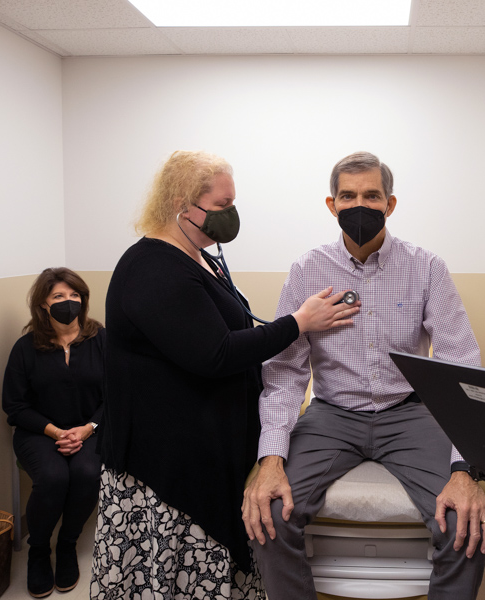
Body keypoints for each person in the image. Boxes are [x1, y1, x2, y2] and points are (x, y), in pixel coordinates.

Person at [91, 151, 358, 600]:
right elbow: (215, 353)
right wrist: (299, 321)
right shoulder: (152, 269)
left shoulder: (196, 256)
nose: (229, 216)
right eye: (221, 206)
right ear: (182, 204)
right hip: (167, 470)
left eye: (233, 203)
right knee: (179, 578)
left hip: (205, 453)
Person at [244, 151, 485, 600]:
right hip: (331, 414)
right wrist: (270, 459)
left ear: (390, 204)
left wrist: (464, 467)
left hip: (411, 413)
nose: (360, 204)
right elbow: (285, 371)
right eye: (348, 195)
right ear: (331, 204)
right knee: (270, 516)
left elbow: (461, 364)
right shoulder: (307, 270)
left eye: (372, 195)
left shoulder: (427, 267)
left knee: (466, 523)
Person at [2, 268, 105, 597]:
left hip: (91, 429)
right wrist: (55, 431)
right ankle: (38, 551)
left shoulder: (101, 339)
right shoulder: (25, 348)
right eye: (58, 296)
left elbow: (119, 395)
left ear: (83, 300)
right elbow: (14, 406)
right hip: (39, 433)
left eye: (74, 295)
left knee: (88, 472)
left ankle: (67, 544)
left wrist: (88, 429)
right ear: (43, 305)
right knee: (53, 477)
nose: (68, 302)